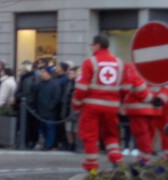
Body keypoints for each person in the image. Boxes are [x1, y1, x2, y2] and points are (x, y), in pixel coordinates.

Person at [72, 34, 127, 172]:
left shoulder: (90, 62)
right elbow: (125, 86)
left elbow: (82, 87)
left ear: (97, 45)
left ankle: (92, 167)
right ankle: (117, 159)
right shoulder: (120, 63)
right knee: (111, 134)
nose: (91, 47)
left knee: (90, 136)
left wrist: (77, 104)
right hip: (112, 107)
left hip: (92, 106)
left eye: (92, 45)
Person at [121, 63, 167, 163]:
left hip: (139, 106)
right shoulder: (161, 64)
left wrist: (149, 98)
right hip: (155, 107)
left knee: (142, 134)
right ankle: (146, 158)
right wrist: (160, 99)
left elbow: (134, 83)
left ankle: (144, 160)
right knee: (150, 133)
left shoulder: (134, 65)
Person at [33, 67, 61, 150]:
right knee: (42, 127)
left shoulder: (54, 84)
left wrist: (50, 106)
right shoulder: (41, 83)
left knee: (49, 128)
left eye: (43, 72)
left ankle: (49, 144)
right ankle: (43, 143)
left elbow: (56, 97)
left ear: (48, 73)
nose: (42, 74)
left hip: (50, 111)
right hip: (41, 110)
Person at [61, 66, 79, 151]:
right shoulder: (69, 83)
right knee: (68, 128)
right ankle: (70, 143)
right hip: (68, 108)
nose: (69, 75)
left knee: (75, 128)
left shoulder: (78, 83)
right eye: (69, 73)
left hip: (75, 109)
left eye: (72, 73)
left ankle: (75, 143)